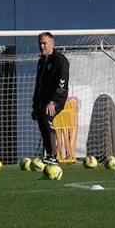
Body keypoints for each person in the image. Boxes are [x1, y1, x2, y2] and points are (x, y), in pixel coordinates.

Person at [31, 31, 69, 163]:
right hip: (43, 100)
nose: (42, 46)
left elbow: (61, 83)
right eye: (40, 43)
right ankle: (49, 156)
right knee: (41, 121)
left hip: (56, 99)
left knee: (47, 117)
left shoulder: (60, 60)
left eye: (44, 43)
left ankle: (53, 155)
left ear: (52, 44)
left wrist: (53, 101)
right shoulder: (41, 61)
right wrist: (35, 105)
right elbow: (38, 84)